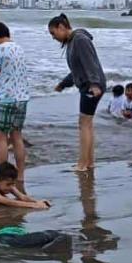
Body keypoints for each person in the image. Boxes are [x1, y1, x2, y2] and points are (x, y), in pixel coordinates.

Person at [49, 14, 106, 173]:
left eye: (53, 33)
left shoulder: (80, 40)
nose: (53, 38)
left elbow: (90, 63)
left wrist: (94, 85)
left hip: (92, 86)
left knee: (84, 124)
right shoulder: (73, 42)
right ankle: (89, 162)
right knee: (87, 124)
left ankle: (82, 164)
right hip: (89, 85)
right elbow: (77, 70)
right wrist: (63, 84)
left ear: (61, 27)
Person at [0, 22, 30, 182]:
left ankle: (2, 178)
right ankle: (20, 176)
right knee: (17, 136)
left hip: (5, 98)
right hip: (22, 97)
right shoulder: (19, 48)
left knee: (1, 138)